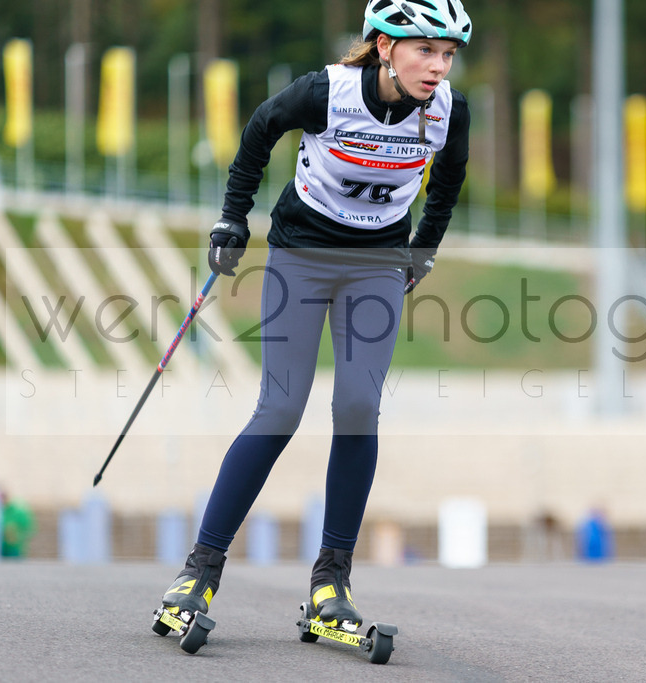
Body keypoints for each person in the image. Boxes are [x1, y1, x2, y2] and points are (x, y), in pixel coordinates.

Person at [158, 0, 472, 635]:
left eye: (447, 54)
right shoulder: (327, 92)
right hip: (301, 256)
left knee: (358, 406)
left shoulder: (448, 111)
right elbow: (258, 131)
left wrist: (423, 250)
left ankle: (331, 581)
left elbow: (449, 180)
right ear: (384, 46)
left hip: (378, 263)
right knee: (279, 409)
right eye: (424, 50)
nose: (438, 67)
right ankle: (199, 571)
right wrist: (232, 217)